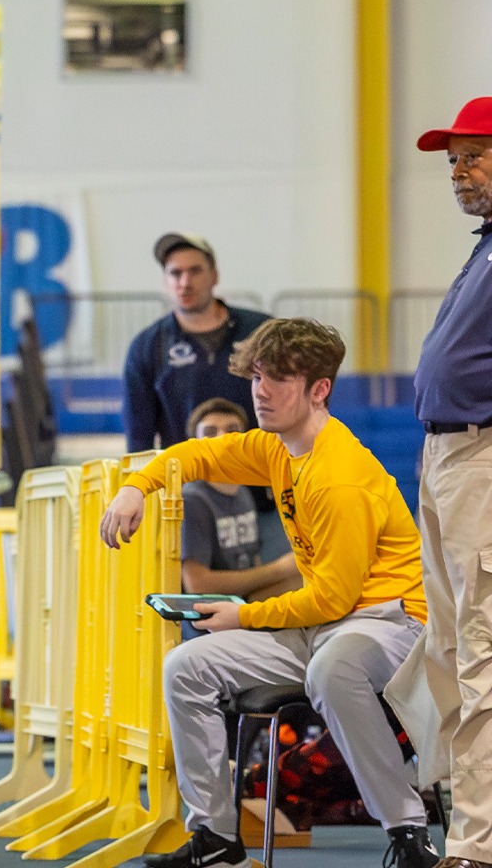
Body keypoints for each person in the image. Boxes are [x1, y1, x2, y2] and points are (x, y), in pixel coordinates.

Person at [100, 318, 438, 868]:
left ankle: (407, 831)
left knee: (334, 670)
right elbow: (197, 456)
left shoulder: (339, 476)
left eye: (278, 378)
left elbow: (331, 599)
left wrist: (243, 616)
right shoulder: (277, 448)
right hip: (322, 627)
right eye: (257, 376)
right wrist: (137, 486)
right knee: (185, 667)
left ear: (319, 389)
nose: (261, 390)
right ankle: (216, 838)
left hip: (390, 623)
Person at [401, 96, 492, 868]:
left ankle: (478, 842)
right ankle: (468, 822)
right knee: (449, 650)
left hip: (483, 459)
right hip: (447, 459)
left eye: (474, 155)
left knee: (481, 652)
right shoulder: (485, 246)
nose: (458, 172)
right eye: (452, 161)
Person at [122, 233, 271, 452]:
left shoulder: (261, 332)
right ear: (165, 282)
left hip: (257, 475)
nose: (185, 282)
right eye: (175, 273)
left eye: (195, 271)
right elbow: (138, 436)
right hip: (186, 480)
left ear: (215, 276)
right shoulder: (147, 346)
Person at [176, 398, 299, 602]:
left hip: (243, 601)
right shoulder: (193, 500)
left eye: (232, 430)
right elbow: (197, 584)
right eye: (210, 432)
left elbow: (251, 562)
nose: (223, 438)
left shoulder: (242, 491)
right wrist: (280, 569)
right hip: (209, 615)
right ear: (194, 444)